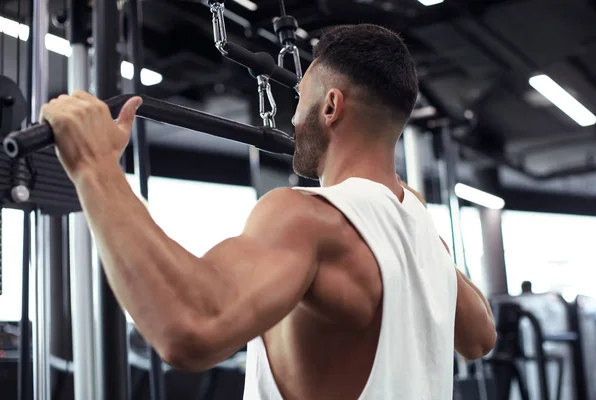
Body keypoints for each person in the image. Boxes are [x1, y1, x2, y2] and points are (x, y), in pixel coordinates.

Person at [40, 24, 496, 399]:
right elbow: (481, 338)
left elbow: (192, 328)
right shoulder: (419, 228)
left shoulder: (308, 216)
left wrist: (95, 166)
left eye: (301, 98)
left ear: (331, 106)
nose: (294, 119)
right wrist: (418, 229)